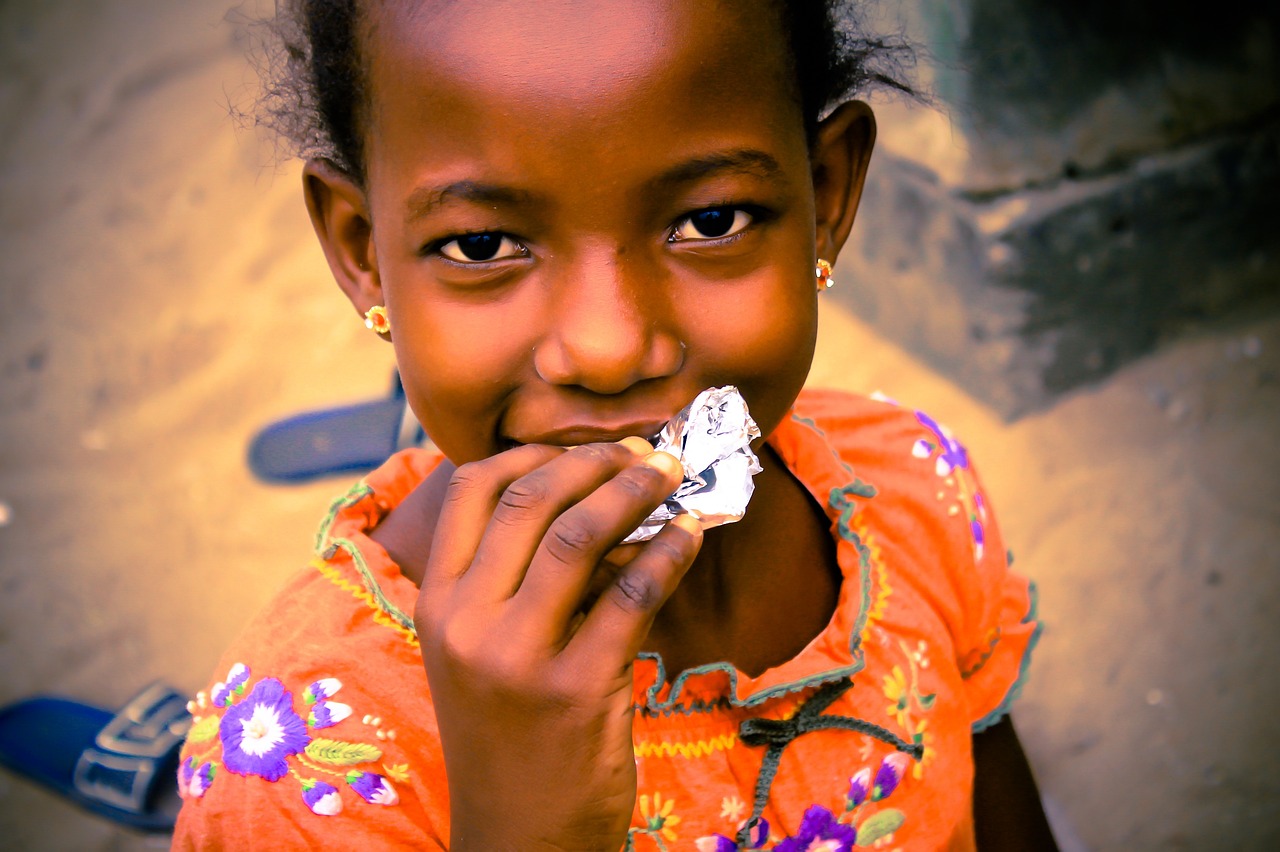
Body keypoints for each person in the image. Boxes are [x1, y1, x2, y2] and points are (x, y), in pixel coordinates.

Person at [174, 1, 1056, 848]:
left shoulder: (910, 496)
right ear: (364, 250)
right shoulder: (298, 763)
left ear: (826, 196)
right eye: (481, 245)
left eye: (711, 221)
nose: (608, 349)